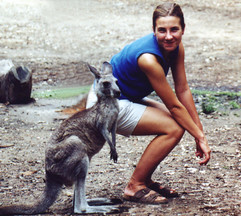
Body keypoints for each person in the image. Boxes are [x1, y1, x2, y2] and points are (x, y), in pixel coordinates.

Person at [86, 2, 211, 204]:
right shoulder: (148, 60)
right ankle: (135, 186)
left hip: (125, 98)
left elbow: (183, 90)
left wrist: (199, 131)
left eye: (174, 30)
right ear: (154, 31)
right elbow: (174, 106)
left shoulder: (175, 48)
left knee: (180, 123)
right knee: (174, 127)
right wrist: (200, 137)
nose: (169, 36)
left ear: (183, 30)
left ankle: (144, 179)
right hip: (104, 105)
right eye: (162, 30)